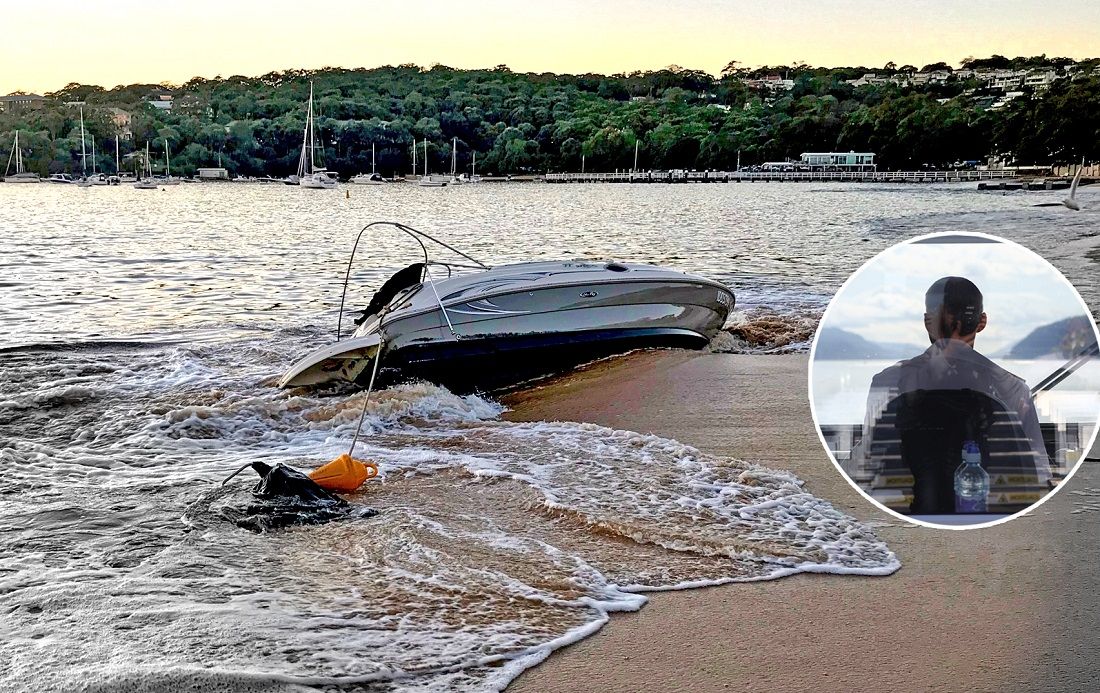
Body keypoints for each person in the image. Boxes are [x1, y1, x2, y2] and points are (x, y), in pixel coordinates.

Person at [852, 276, 1051, 514]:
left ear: (927, 322)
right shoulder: (1012, 388)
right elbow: (1038, 473)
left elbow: (864, 466)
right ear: (982, 322)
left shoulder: (887, 381)